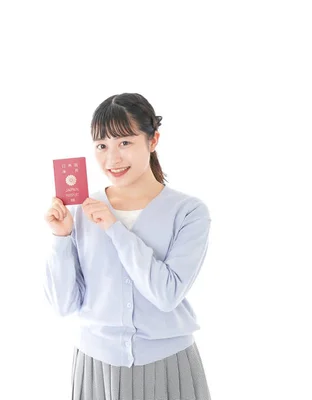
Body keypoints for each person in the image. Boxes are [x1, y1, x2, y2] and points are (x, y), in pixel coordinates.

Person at [43, 93, 212, 400]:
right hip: (95, 367)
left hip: (168, 367)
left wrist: (113, 228)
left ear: (153, 140)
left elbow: (167, 294)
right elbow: (63, 305)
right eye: (102, 146)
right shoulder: (82, 210)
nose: (112, 159)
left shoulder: (189, 212)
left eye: (125, 143)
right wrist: (61, 239)